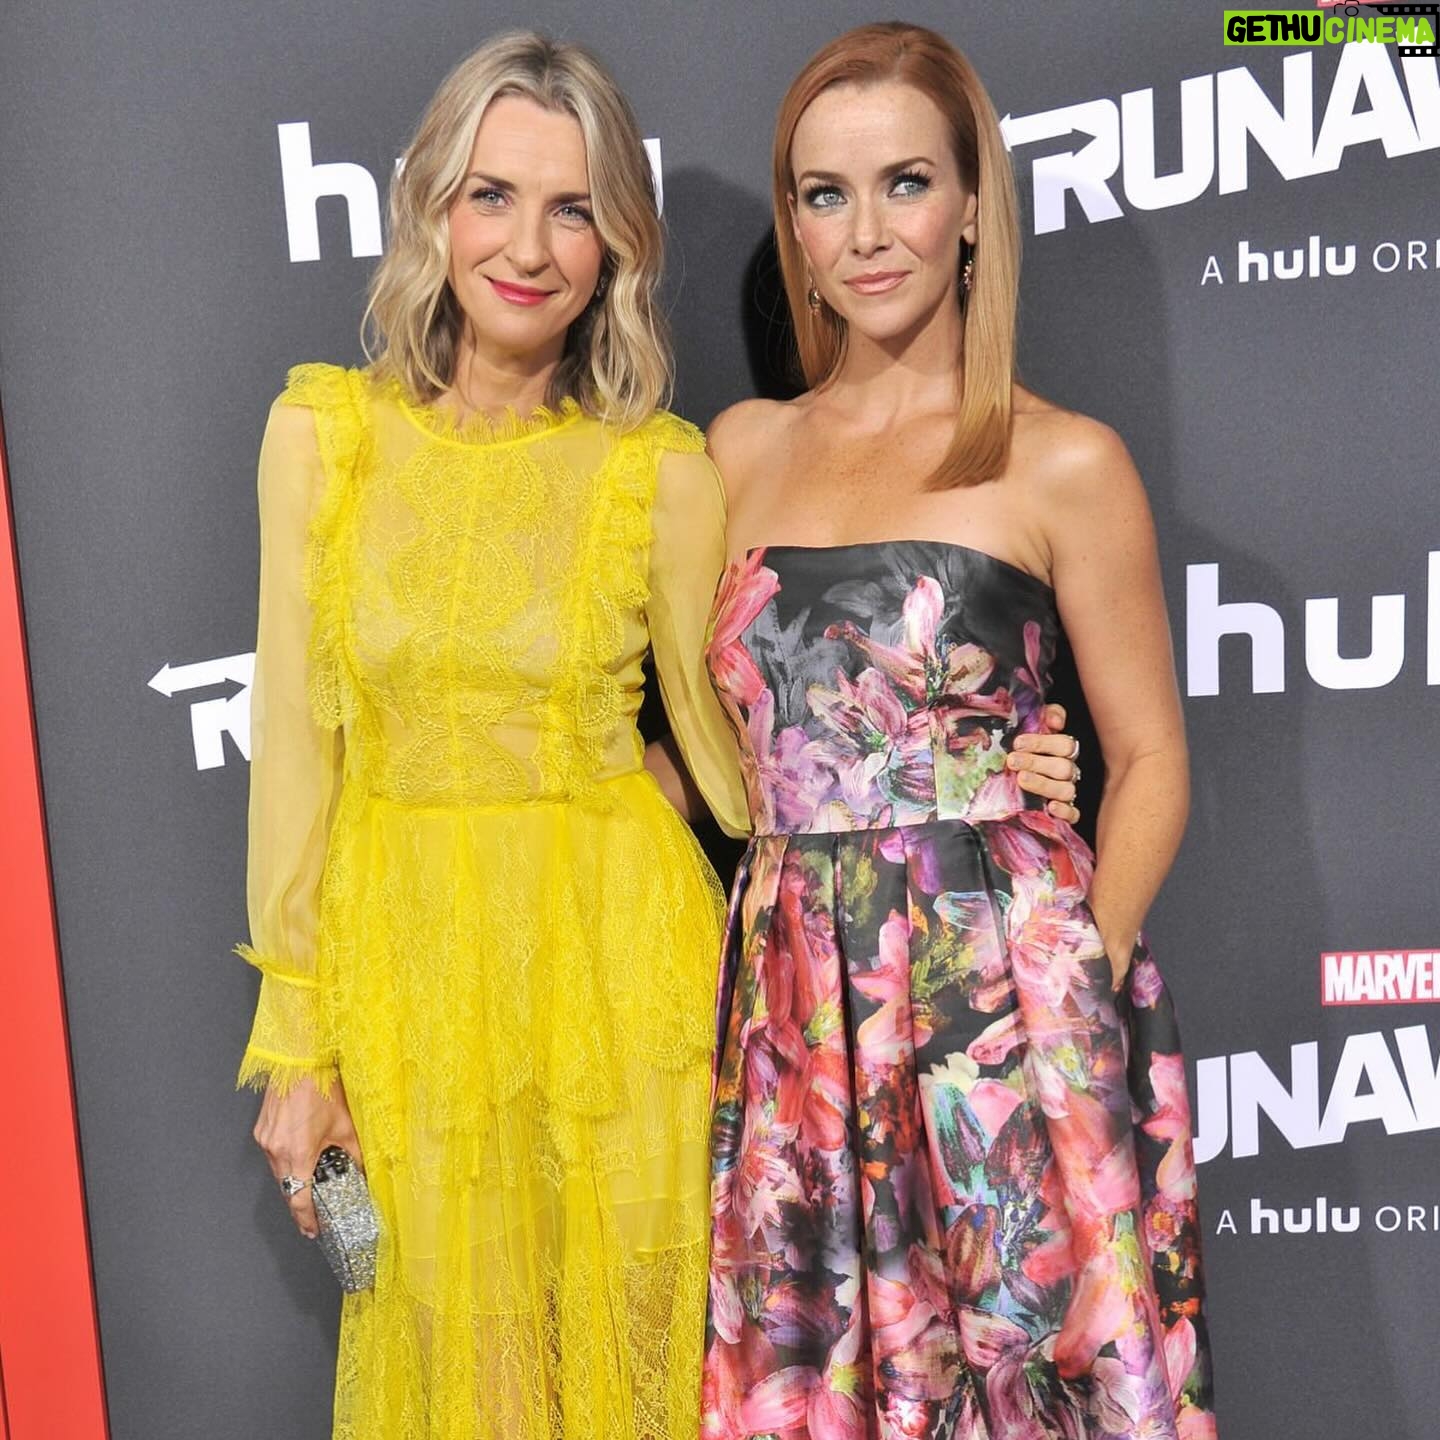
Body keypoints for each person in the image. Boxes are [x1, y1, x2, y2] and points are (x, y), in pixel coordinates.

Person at [236, 28, 1083, 1439]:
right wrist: (295, 1047)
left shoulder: (663, 474)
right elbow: (293, 755)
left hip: (627, 986)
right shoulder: (325, 439)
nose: (529, 247)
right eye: (492, 195)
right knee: (465, 1385)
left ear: (616, 244)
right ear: (433, 208)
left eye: (572, 209)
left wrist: (972, 761)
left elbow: (755, 766)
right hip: (411, 986)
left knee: (654, 1386)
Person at [699, 22, 1216, 1440]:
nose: (867, 233)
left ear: (975, 204)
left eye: (907, 183)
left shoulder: (1064, 459)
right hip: (798, 1021)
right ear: (796, 228)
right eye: (826, 194)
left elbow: (1152, 760)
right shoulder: (734, 454)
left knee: (1031, 1390)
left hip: (1009, 1017)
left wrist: (1068, 980)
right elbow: (707, 742)